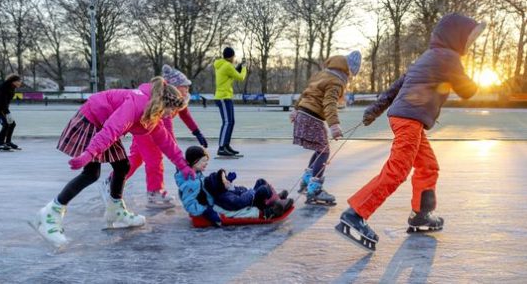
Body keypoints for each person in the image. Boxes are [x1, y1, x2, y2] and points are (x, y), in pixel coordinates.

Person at [336, 13, 486, 251]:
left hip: (405, 118)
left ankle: (421, 215)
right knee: (397, 171)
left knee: (428, 165)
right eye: (469, 39)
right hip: (409, 120)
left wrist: (374, 111)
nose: (470, 44)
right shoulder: (448, 57)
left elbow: (396, 86)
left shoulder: (427, 57)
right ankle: (355, 214)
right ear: (457, 36)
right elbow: (467, 91)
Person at [30, 77, 195, 248]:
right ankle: (49, 215)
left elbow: (166, 142)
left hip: (103, 122)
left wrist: (183, 166)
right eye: (171, 111)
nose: (170, 116)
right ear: (164, 103)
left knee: (122, 166)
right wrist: (89, 153)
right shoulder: (137, 104)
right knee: (91, 174)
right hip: (92, 120)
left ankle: (115, 211)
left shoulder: (152, 114)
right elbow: (111, 130)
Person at [98, 65, 208, 209]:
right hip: (146, 130)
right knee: (154, 159)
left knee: (136, 159)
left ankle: (112, 180)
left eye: (188, 86)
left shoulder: (179, 99)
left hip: (148, 129)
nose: (187, 89)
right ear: (174, 87)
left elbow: (186, 116)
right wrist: (178, 160)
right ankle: (154, 192)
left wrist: (197, 132)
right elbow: (168, 133)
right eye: (184, 86)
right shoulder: (166, 101)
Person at [289, 51, 362, 206]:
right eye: (351, 74)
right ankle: (314, 189)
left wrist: (296, 109)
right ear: (348, 70)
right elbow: (329, 103)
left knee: (319, 149)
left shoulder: (323, 74)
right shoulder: (336, 81)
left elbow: (306, 92)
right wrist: (334, 125)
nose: (350, 78)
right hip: (312, 117)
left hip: (303, 113)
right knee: (324, 151)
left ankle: (306, 182)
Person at [204, 169, 294, 219]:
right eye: (225, 181)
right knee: (263, 189)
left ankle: (276, 198)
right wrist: (251, 192)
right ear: (220, 186)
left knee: (260, 181)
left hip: (250, 197)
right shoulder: (224, 197)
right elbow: (239, 202)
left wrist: (236, 187)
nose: (227, 180)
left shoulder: (226, 191)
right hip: (251, 203)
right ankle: (276, 205)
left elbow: (240, 190)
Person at [174, 146, 222, 227]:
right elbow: (189, 204)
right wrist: (206, 211)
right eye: (203, 161)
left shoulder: (197, 174)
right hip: (205, 207)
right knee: (234, 200)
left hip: (212, 202)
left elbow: (204, 188)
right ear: (194, 161)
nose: (206, 163)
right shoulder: (191, 183)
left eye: (206, 161)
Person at [213, 47, 247, 157]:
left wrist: (239, 67)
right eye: (233, 56)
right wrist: (244, 67)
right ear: (231, 57)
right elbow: (241, 77)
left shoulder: (223, 65)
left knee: (231, 122)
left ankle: (226, 146)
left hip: (225, 96)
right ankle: (222, 147)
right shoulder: (227, 66)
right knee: (227, 122)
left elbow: (231, 75)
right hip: (223, 97)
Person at [0, 74, 23, 151]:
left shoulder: (12, 87)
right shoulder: (4, 87)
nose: (20, 83)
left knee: (12, 124)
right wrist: (7, 112)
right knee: (6, 124)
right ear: (13, 81)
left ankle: (8, 142)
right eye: (19, 81)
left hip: (2, 107)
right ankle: (1, 144)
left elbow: (3, 99)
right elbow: (2, 100)